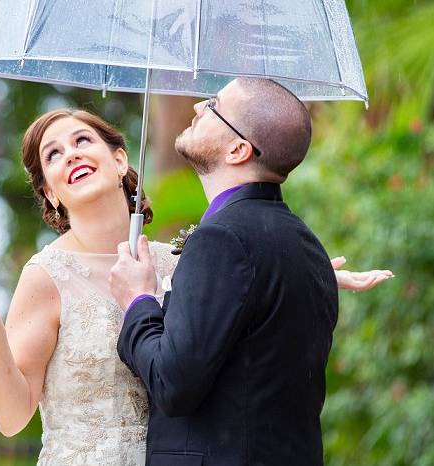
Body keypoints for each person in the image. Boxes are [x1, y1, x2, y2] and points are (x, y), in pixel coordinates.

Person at [0, 106, 392, 465]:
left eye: (83, 140)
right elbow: (13, 416)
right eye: (53, 155)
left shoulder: (178, 260)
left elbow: (234, 296)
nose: (71, 154)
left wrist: (307, 271)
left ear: (120, 159)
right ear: (50, 193)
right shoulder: (46, 276)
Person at [108, 78, 392, 466]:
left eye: (213, 105)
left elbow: (171, 384)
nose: (196, 108)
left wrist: (137, 300)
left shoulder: (222, 239)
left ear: (238, 149)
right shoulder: (305, 243)